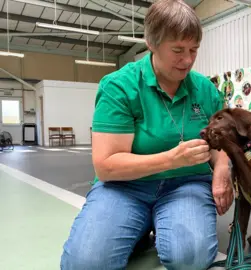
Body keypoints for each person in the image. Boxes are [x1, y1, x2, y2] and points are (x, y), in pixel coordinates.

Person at [60, 0, 234, 269]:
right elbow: (106, 166)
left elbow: (220, 144)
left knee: (191, 259)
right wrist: (172, 159)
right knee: (86, 263)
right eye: (177, 50)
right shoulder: (119, 87)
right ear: (151, 44)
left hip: (186, 183)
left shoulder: (205, 90)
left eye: (194, 50)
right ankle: (142, 224)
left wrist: (222, 168)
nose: (187, 60)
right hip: (124, 187)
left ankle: (149, 224)